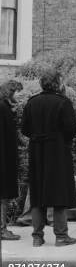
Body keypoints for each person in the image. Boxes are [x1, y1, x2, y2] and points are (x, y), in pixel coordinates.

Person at [22, 69, 76, 247]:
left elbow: (25, 129)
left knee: (38, 194)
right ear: (58, 83)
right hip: (57, 152)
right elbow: (71, 130)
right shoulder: (63, 102)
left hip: (37, 152)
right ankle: (61, 236)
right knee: (59, 193)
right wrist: (60, 140)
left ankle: (37, 237)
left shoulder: (32, 102)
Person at [1, 79, 23, 241]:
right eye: (17, 92)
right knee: (3, 195)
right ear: (11, 92)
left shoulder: (5, 107)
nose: (19, 96)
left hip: (5, 157)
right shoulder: (3, 108)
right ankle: (2, 230)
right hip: (4, 159)